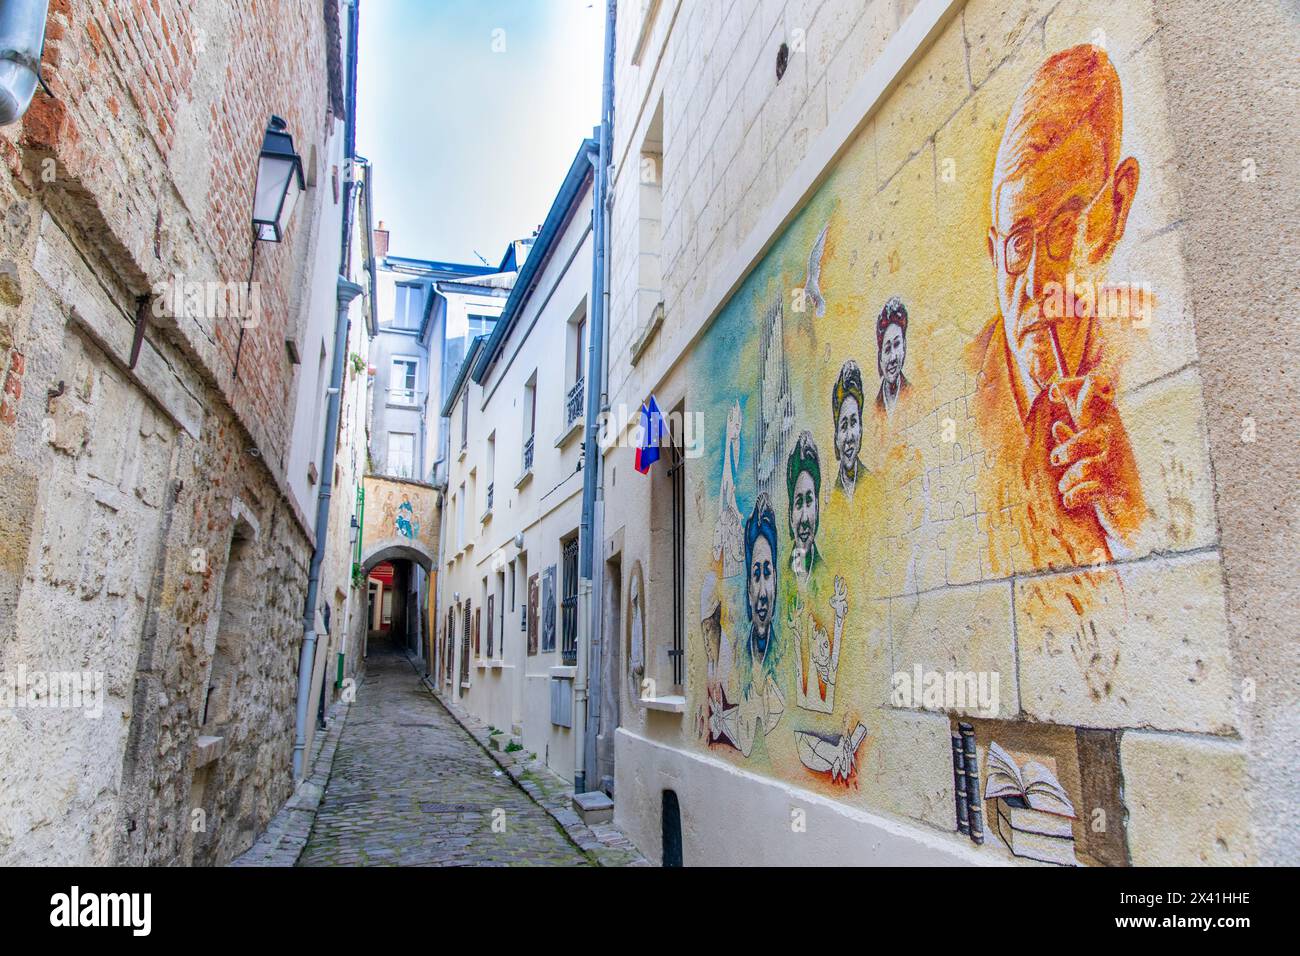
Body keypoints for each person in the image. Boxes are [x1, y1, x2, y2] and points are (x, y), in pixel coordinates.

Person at [968, 43, 1145, 571]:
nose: (1037, 284)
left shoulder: (1143, 357)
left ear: (1114, 213)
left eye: (1065, 230)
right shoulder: (963, 389)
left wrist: (1129, 513)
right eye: (1019, 243)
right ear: (994, 251)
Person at [786, 431, 822, 586]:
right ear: (790, 515)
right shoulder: (783, 580)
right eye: (799, 503)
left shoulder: (826, 577)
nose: (805, 517)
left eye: (809, 501)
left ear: (818, 507)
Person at [830, 361, 866, 499]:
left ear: (861, 429)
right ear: (836, 437)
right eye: (844, 426)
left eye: (854, 423)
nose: (850, 436)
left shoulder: (875, 488)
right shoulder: (832, 502)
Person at [875, 297, 912, 417]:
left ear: (904, 346)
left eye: (896, 345)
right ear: (880, 358)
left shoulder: (914, 396)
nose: (892, 358)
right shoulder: (874, 409)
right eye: (887, 349)